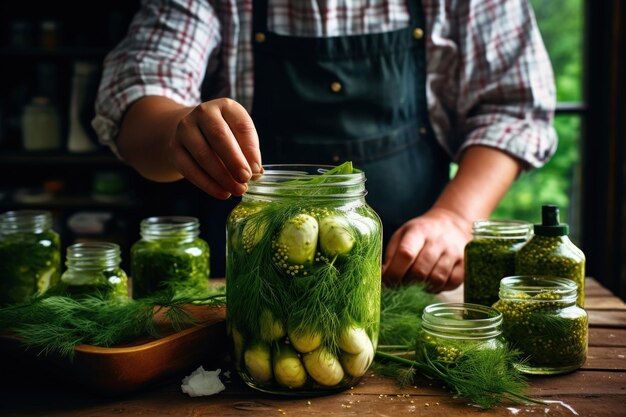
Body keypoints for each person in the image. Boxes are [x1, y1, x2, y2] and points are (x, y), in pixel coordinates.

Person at [92, 0, 557, 293]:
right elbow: (138, 93)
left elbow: (512, 108)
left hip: (407, 287)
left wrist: (455, 218)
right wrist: (177, 129)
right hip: (241, 289)